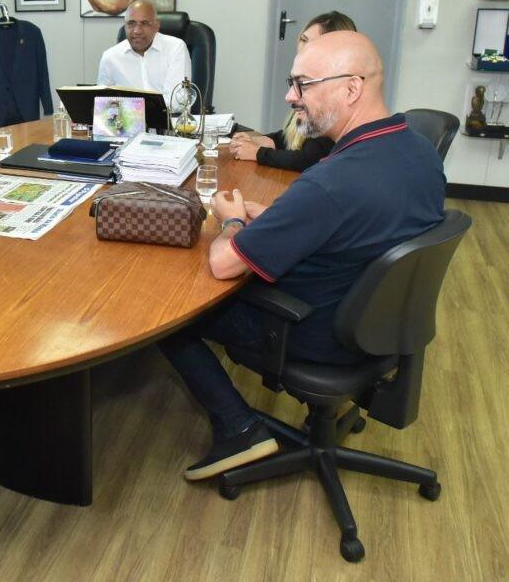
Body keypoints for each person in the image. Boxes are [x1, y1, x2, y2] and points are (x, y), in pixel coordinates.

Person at [158, 31, 445, 482]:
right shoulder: (419, 149)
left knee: (171, 311)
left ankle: (239, 430)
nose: (291, 97)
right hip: (379, 322)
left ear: (351, 88)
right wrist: (282, 218)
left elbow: (224, 262)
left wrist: (232, 221)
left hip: (312, 330)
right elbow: (359, 222)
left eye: (303, 85)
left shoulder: (330, 183)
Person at [229, 11, 357, 171]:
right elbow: (293, 134)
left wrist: (258, 153)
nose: (290, 97)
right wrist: (265, 140)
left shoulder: (330, 96)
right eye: (303, 39)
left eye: (311, 42)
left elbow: (307, 159)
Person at [96, 0, 190, 105]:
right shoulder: (110, 57)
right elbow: (102, 103)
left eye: (144, 23)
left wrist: (133, 109)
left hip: (168, 116)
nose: (137, 31)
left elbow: (178, 101)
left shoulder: (175, 48)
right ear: (125, 26)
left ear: (156, 26)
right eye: (131, 23)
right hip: (126, 116)